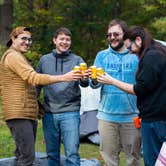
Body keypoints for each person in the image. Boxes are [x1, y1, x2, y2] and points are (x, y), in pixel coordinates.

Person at [0, 26, 83, 166]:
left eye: (29, 40)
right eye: (23, 39)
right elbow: (34, 78)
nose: (27, 42)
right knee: (27, 157)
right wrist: (63, 77)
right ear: (13, 39)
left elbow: (27, 86)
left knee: (22, 155)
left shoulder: (19, 57)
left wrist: (37, 105)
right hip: (19, 112)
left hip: (31, 112)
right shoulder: (13, 56)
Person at [97, 26, 166, 166]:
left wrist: (111, 81)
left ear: (139, 40)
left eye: (130, 48)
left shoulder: (151, 57)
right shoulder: (158, 51)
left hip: (155, 120)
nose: (130, 52)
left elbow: (139, 89)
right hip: (157, 116)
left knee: (153, 161)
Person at [90, 20, 141, 166]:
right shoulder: (101, 56)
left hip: (132, 117)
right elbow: (95, 85)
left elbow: (143, 85)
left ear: (125, 35)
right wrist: (93, 80)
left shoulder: (136, 55)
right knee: (109, 159)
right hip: (107, 117)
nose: (112, 37)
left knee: (134, 159)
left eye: (116, 34)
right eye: (109, 35)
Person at [36, 27, 89, 166]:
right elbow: (37, 83)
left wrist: (84, 79)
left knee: (72, 153)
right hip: (49, 113)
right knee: (52, 153)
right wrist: (34, 103)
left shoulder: (77, 60)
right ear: (54, 40)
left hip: (70, 112)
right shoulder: (44, 60)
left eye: (68, 39)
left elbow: (85, 84)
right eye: (62, 39)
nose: (64, 42)